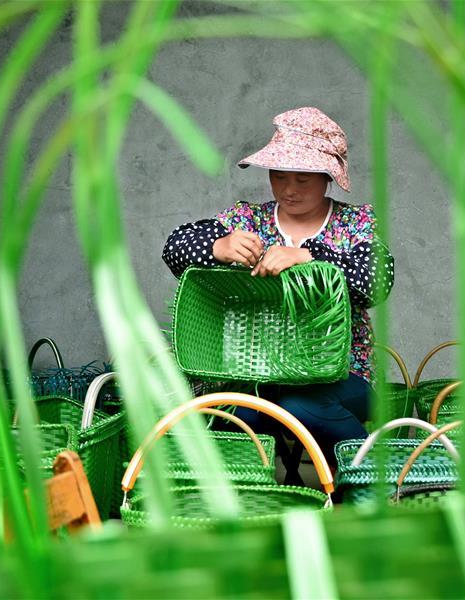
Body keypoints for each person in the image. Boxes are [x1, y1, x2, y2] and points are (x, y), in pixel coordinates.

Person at [162, 107, 394, 474]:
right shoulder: (248, 219)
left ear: (327, 177)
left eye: (303, 179)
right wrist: (217, 247)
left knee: (299, 403)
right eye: (280, 176)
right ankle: (259, 501)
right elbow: (176, 247)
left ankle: (370, 481)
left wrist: (308, 256)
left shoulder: (356, 223)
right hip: (260, 373)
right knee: (238, 412)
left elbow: (374, 281)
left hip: (343, 375)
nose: (289, 189)